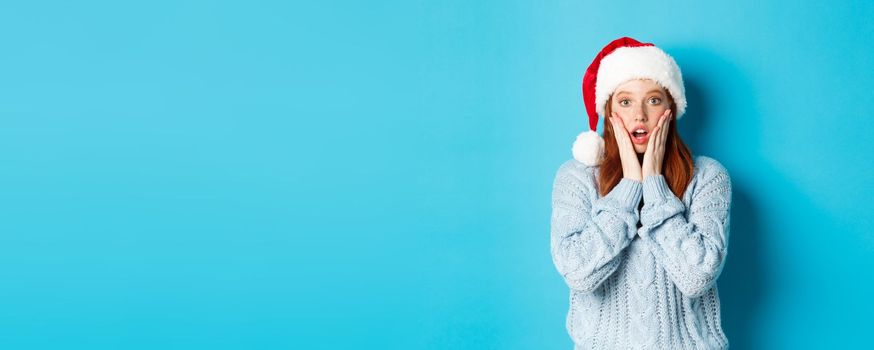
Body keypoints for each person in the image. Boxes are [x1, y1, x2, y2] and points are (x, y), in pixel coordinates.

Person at [550, 37, 733, 349]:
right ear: (608, 112)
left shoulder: (708, 177)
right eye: (625, 101)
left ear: (671, 108)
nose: (639, 115)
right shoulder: (575, 177)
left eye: (652, 100)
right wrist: (630, 188)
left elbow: (697, 277)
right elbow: (579, 274)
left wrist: (654, 185)